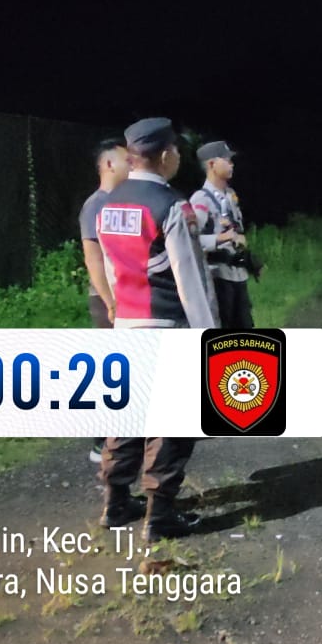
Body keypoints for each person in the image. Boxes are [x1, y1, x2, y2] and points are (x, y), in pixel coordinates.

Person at [96, 117, 218, 542]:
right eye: (177, 151)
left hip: (127, 326)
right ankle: (160, 513)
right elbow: (191, 280)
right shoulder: (172, 206)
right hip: (166, 326)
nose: (178, 158)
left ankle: (115, 502)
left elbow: (112, 270)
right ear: (165, 155)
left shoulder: (109, 203)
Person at [78, 138, 129, 464]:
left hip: (127, 298)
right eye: (126, 159)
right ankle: (102, 444)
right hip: (107, 299)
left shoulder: (125, 202)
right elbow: (93, 258)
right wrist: (110, 300)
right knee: (114, 371)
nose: (132, 164)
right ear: (109, 164)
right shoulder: (96, 205)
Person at [191, 140, 256, 328]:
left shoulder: (230, 195)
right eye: (227, 160)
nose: (232, 164)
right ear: (212, 164)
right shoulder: (201, 199)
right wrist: (220, 239)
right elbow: (191, 240)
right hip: (218, 278)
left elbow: (236, 229)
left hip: (238, 275)